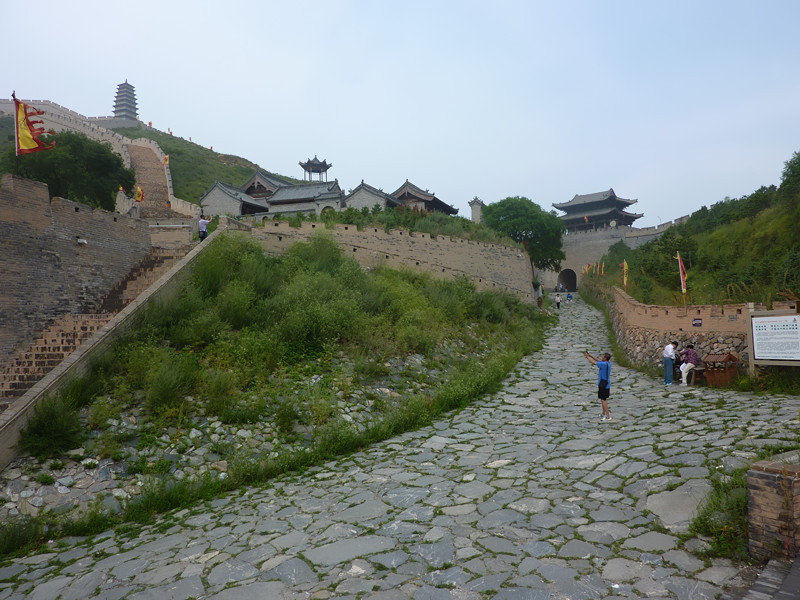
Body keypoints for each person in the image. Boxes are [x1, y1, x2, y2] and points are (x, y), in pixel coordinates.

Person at [585, 351, 612, 421]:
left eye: (603, 356)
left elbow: (594, 363)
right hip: (606, 383)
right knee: (602, 399)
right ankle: (603, 413)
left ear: (605, 358)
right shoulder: (608, 363)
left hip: (603, 384)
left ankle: (608, 416)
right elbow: (597, 360)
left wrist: (587, 357)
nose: (602, 357)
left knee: (603, 400)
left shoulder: (603, 364)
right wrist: (590, 355)